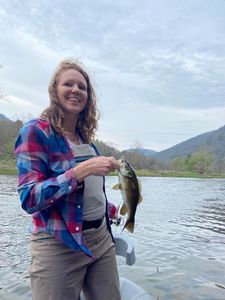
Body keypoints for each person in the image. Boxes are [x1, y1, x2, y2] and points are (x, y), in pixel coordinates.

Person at [15, 59, 121, 300]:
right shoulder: (36, 131)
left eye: (82, 87)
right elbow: (29, 197)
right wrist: (81, 171)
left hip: (101, 239)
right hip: (58, 243)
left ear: (88, 97)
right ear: (55, 90)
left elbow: (87, 194)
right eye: (68, 84)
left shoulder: (85, 138)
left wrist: (109, 209)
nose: (76, 90)